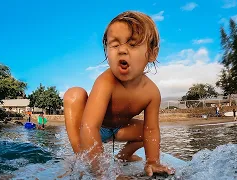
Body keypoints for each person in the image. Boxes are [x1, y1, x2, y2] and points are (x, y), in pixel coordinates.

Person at [63, 11, 175, 177]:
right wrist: (105, 172)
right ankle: (80, 154)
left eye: (132, 44)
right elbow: (90, 126)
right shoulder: (106, 81)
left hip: (120, 130)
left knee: (147, 132)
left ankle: (124, 156)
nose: (122, 50)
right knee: (74, 94)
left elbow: (151, 130)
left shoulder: (152, 93)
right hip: (93, 128)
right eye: (114, 45)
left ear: (152, 54)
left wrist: (153, 161)